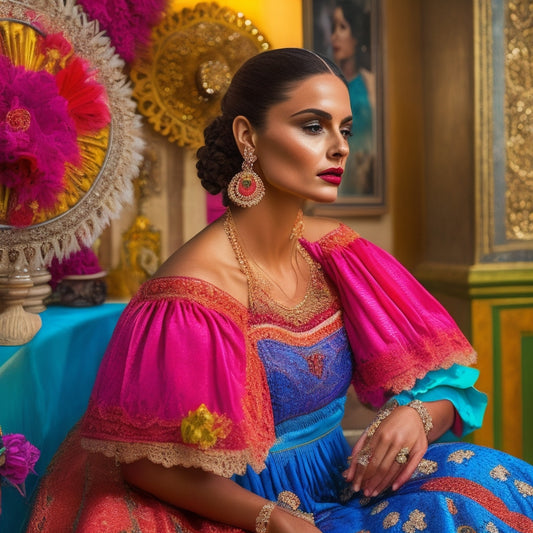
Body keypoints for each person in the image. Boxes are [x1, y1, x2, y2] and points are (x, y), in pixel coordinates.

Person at [27, 48, 533, 532]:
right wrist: (272, 519)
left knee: (488, 491)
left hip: (341, 485)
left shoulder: (337, 253)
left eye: (345, 128)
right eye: (313, 126)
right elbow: (145, 464)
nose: (339, 146)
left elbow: (451, 382)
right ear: (248, 136)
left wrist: (416, 414)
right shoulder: (190, 294)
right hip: (239, 510)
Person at [331, 0, 375, 196]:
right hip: (335, 169)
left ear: (356, 36)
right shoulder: (329, 86)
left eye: (342, 27)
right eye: (333, 28)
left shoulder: (370, 83)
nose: (335, 36)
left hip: (365, 170)